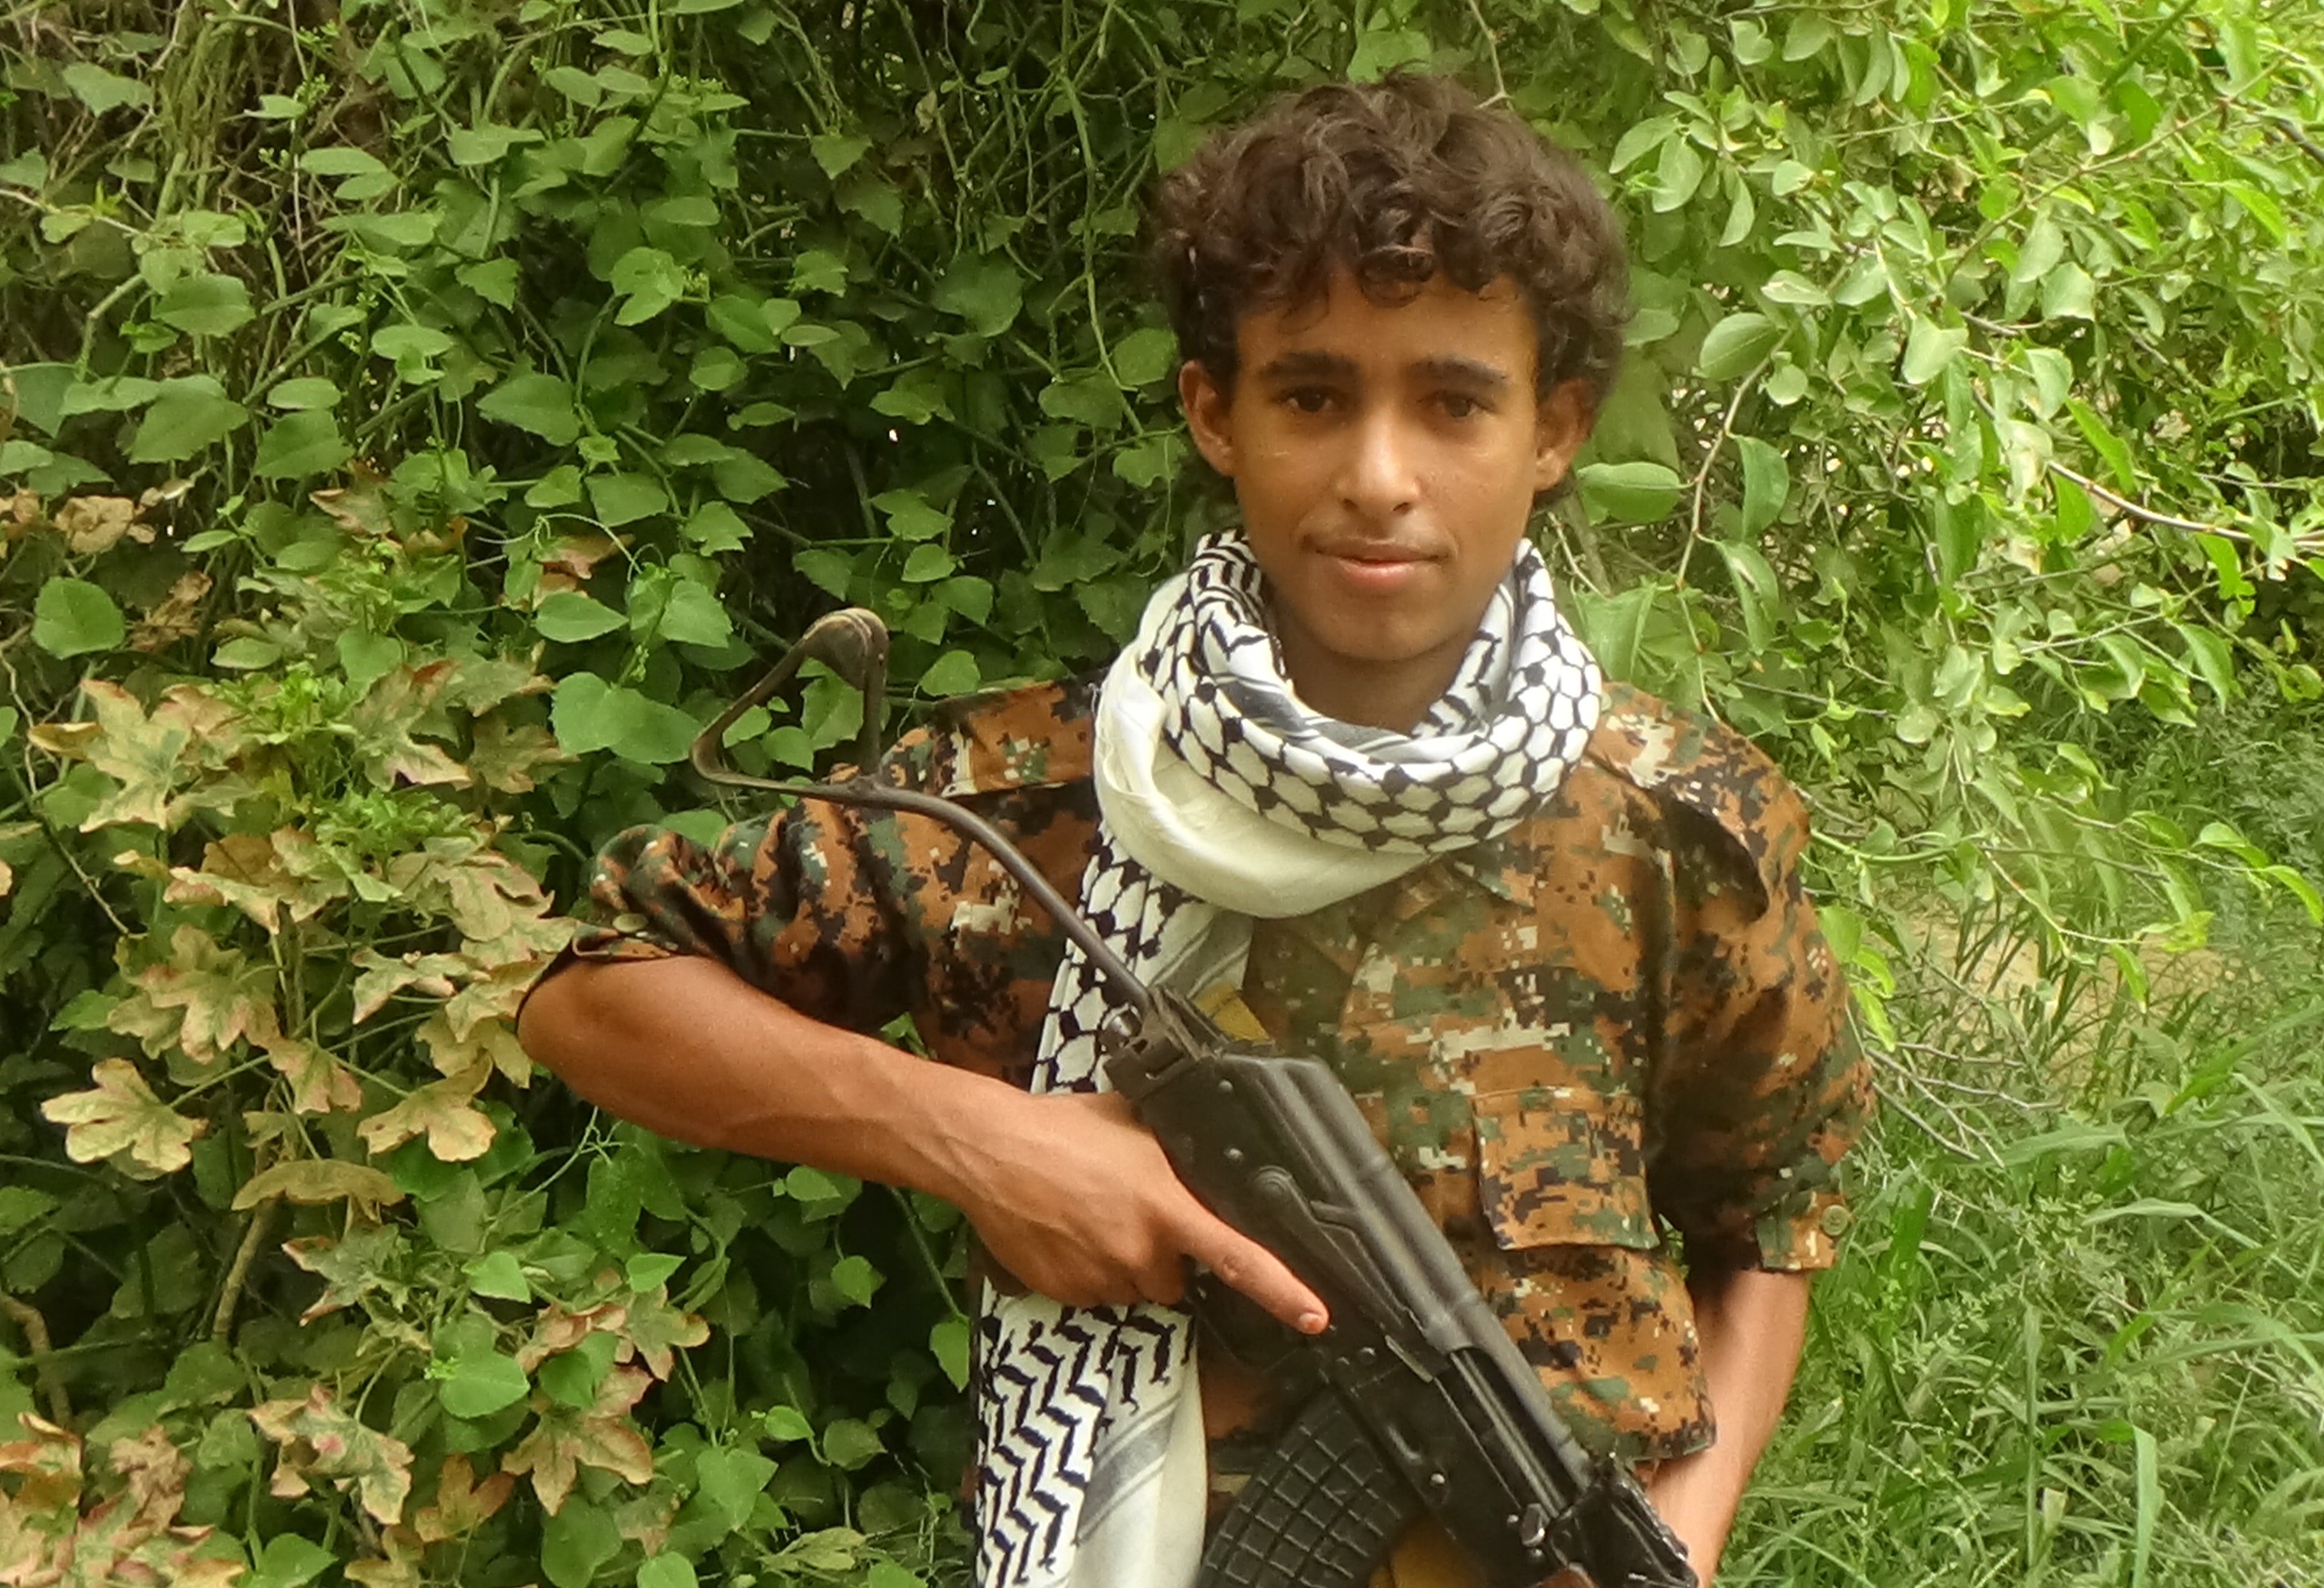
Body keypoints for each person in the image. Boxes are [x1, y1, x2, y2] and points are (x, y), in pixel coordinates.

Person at [518, 71, 1869, 1588]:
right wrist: (982, 1142)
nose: (1378, 478)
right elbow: (594, 990)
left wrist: (1680, 1544)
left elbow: (1773, 1214)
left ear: (1553, 428)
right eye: (1313, 396)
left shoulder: (1673, 824)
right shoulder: (1032, 789)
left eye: (1453, 402)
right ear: (1215, 413)